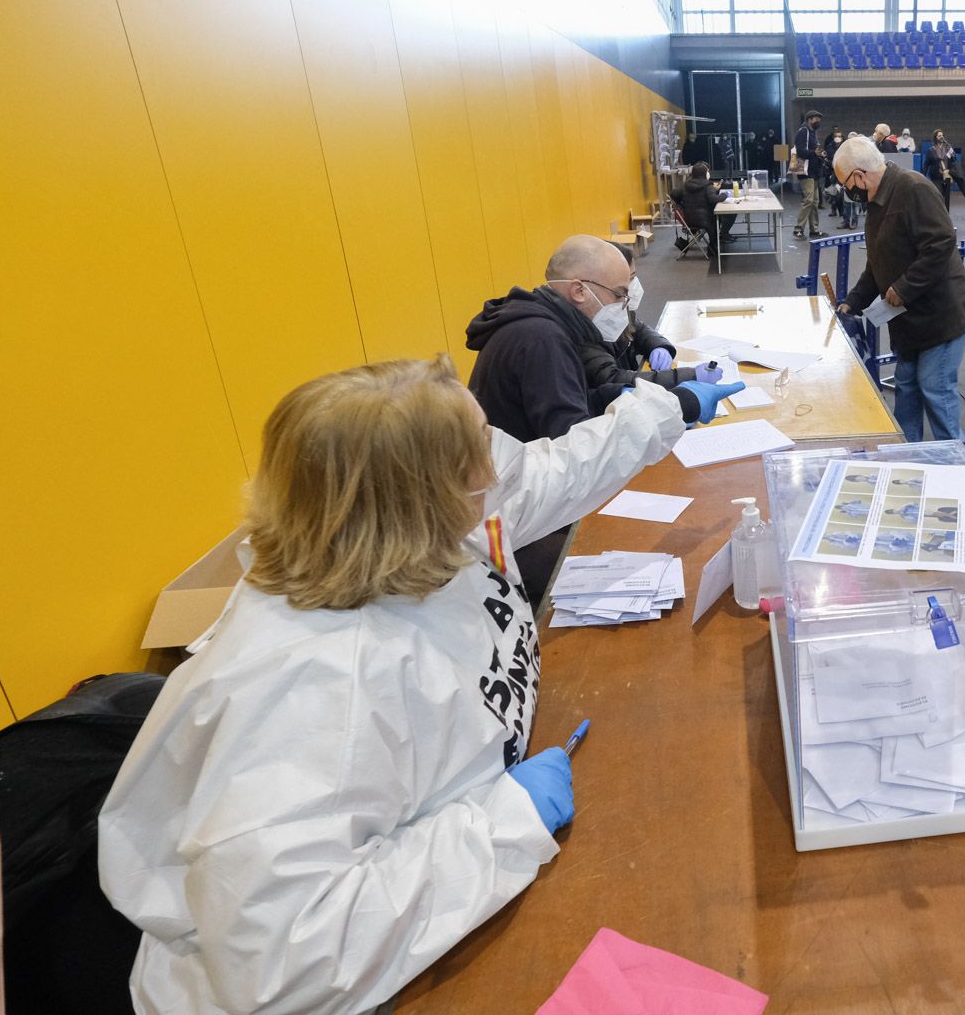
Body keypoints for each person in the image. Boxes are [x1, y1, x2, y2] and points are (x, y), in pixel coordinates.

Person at [99, 356, 715, 1015]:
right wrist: (504, 823)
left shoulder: (418, 531)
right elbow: (286, 964)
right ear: (425, 497)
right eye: (479, 458)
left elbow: (542, 477)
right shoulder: (305, 687)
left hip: (442, 901)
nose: (497, 472)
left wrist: (664, 411)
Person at [463, 236, 737, 595]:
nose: (625, 305)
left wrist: (639, 400)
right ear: (579, 291)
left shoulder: (545, 324)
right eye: (620, 294)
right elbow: (576, 449)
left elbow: (578, 397)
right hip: (520, 522)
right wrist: (665, 408)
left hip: (520, 497)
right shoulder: (542, 339)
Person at [831, 136, 965, 442]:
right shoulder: (876, 202)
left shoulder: (913, 188)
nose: (847, 191)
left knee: (934, 388)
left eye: (846, 184)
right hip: (909, 320)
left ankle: (956, 464)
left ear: (859, 175)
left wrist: (904, 286)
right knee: (907, 385)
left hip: (940, 316)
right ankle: (908, 454)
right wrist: (852, 303)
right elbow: (878, 263)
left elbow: (940, 244)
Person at [676, 162, 728, 257]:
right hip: (705, 220)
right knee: (717, 220)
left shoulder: (686, 185)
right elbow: (713, 199)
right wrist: (724, 195)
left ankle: (712, 246)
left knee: (712, 220)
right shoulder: (707, 186)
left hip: (688, 219)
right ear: (704, 174)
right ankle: (712, 247)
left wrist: (680, 205)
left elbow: (674, 194)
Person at [793, 109, 827, 239]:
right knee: (808, 200)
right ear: (809, 119)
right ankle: (798, 229)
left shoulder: (812, 133)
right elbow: (800, 151)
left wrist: (820, 153)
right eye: (816, 119)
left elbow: (812, 150)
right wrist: (814, 153)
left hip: (814, 172)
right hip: (806, 172)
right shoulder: (803, 132)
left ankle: (814, 230)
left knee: (814, 201)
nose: (818, 121)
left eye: (819, 119)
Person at [923, 129, 959, 210]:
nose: (941, 137)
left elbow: (954, 159)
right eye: (939, 136)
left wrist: (951, 149)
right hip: (936, 176)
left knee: (946, 195)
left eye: (942, 135)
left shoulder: (947, 148)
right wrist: (923, 176)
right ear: (935, 138)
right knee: (938, 194)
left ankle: (944, 211)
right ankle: (938, 211)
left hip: (947, 175)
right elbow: (926, 164)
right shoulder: (931, 150)